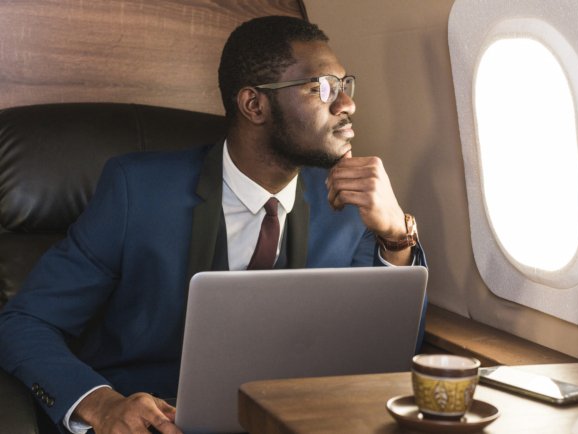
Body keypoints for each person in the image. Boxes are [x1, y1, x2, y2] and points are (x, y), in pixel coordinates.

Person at [0, 15, 426, 434]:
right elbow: (24, 322)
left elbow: (387, 353)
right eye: (323, 88)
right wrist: (103, 404)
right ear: (254, 105)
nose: (347, 104)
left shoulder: (350, 204)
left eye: (345, 85)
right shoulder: (137, 190)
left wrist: (395, 239)